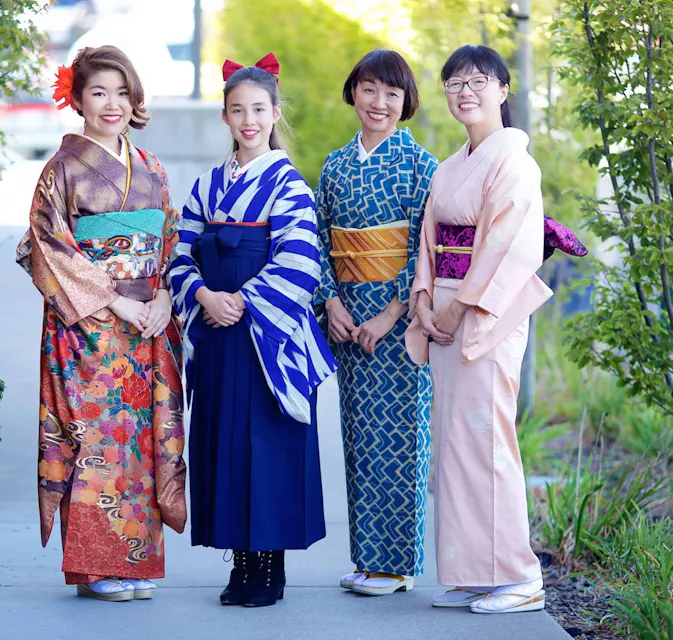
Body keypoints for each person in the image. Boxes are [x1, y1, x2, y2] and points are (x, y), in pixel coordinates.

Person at [406, 44, 586, 614]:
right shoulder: (448, 167)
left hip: (487, 311)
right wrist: (423, 299)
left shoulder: (515, 163)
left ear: (503, 91)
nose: (465, 92)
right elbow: (430, 241)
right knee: (455, 444)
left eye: (478, 81)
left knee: (488, 440)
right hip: (443, 308)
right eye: (454, 82)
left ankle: (518, 575)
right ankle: (473, 572)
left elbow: (508, 245)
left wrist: (459, 308)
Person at [15, 45, 187, 602]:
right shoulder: (62, 169)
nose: (112, 104)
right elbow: (47, 245)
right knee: (93, 439)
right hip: (87, 328)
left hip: (146, 324)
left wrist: (164, 295)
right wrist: (116, 301)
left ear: (134, 99)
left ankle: (134, 561)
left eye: (121, 92)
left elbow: (170, 238)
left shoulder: (152, 167)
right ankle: (94, 568)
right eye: (98, 92)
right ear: (77, 100)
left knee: (137, 442)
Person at [168, 53, 337, 608]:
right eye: (237, 110)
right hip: (218, 331)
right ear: (224, 116)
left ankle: (270, 569)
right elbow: (179, 254)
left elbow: (301, 262)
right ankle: (241, 563)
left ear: (275, 113)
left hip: (267, 336)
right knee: (225, 442)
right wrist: (203, 296)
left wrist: (241, 301)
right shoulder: (207, 185)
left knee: (267, 445)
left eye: (259, 109)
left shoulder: (289, 184)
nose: (249, 120)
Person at [313, 50, 437, 597]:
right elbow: (318, 238)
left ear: (406, 101)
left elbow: (428, 248)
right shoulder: (335, 166)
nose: (379, 102)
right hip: (348, 320)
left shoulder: (422, 165)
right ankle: (368, 559)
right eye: (369, 89)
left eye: (391, 93)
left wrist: (390, 313)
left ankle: (397, 565)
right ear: (353, 93)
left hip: (399, 323)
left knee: (401, 437)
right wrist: (330, 301)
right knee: (360, 440)